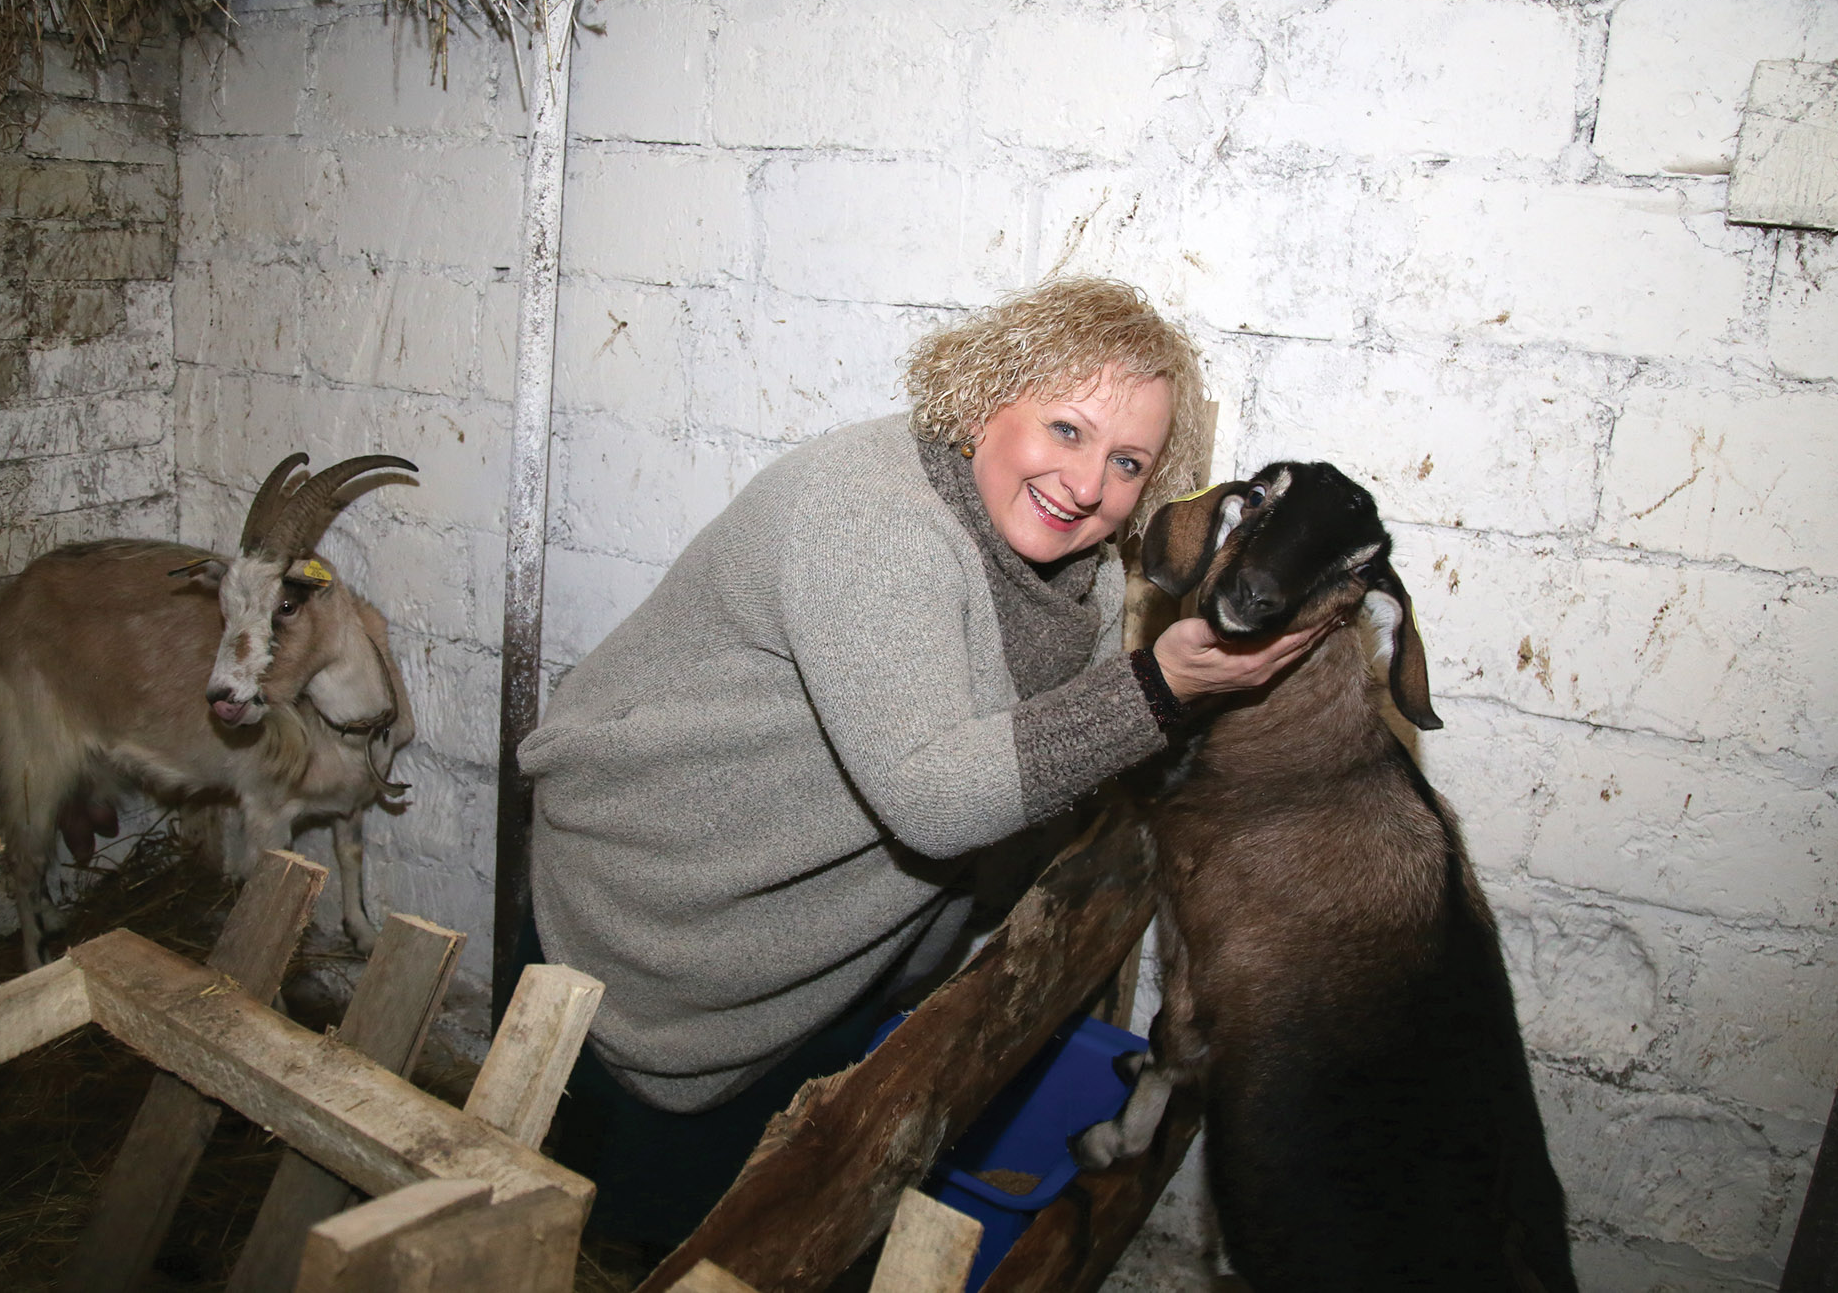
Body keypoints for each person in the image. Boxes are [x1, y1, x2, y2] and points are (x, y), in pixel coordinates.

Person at [519, 276, 1323, 1247]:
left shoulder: (1088, 582)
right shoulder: (872, 512)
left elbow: (1032, 772)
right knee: (587, 1225)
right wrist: (1157, 688)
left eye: (1125, 461)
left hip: (816, 957)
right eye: (1064, 430)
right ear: (987, 398)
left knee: (747, 1234)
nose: (1085, 485)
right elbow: (936, 800)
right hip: (654, 901)